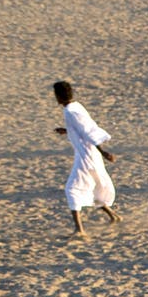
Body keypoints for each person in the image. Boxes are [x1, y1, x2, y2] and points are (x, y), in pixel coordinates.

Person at [52, 82, 121, 236]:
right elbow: (83, 129)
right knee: (93, 185)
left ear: (59, 95)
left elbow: (89, 132)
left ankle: (79, 230)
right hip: (87, 154)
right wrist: (67, 130)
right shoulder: (75, 106)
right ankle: (113, 216)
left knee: (72, 189)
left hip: (86, 156)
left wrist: (104, 152)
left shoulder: (71, 111)